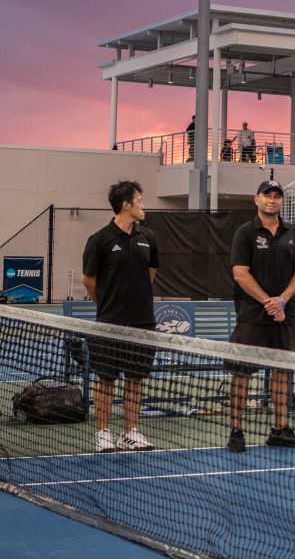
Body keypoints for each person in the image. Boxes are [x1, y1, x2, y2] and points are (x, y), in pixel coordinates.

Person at [226, 179, 295, 452]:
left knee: (282, 372)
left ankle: (280, 429)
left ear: (282, 201)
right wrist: (268, 302)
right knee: (242, 373)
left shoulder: (293, 234)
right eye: (267, 195)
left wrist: (283, 301)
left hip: (286, 315)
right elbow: (240, 273)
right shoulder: (245, 233)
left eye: (277, 196)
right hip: (252, 315)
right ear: (256, 199)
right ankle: (236, 430)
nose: (272, 200)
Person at [81, 180, 159, 453]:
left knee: (136, 379)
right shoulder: (100, 239)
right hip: (110, 323)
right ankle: (103, 433)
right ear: (126, 205)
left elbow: (150, 273)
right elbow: (89, 280)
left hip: (143, 322)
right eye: (139, 200)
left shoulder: (148, 237)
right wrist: (106, 305)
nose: (143, 205)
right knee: (105, 379)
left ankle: (130, 432)